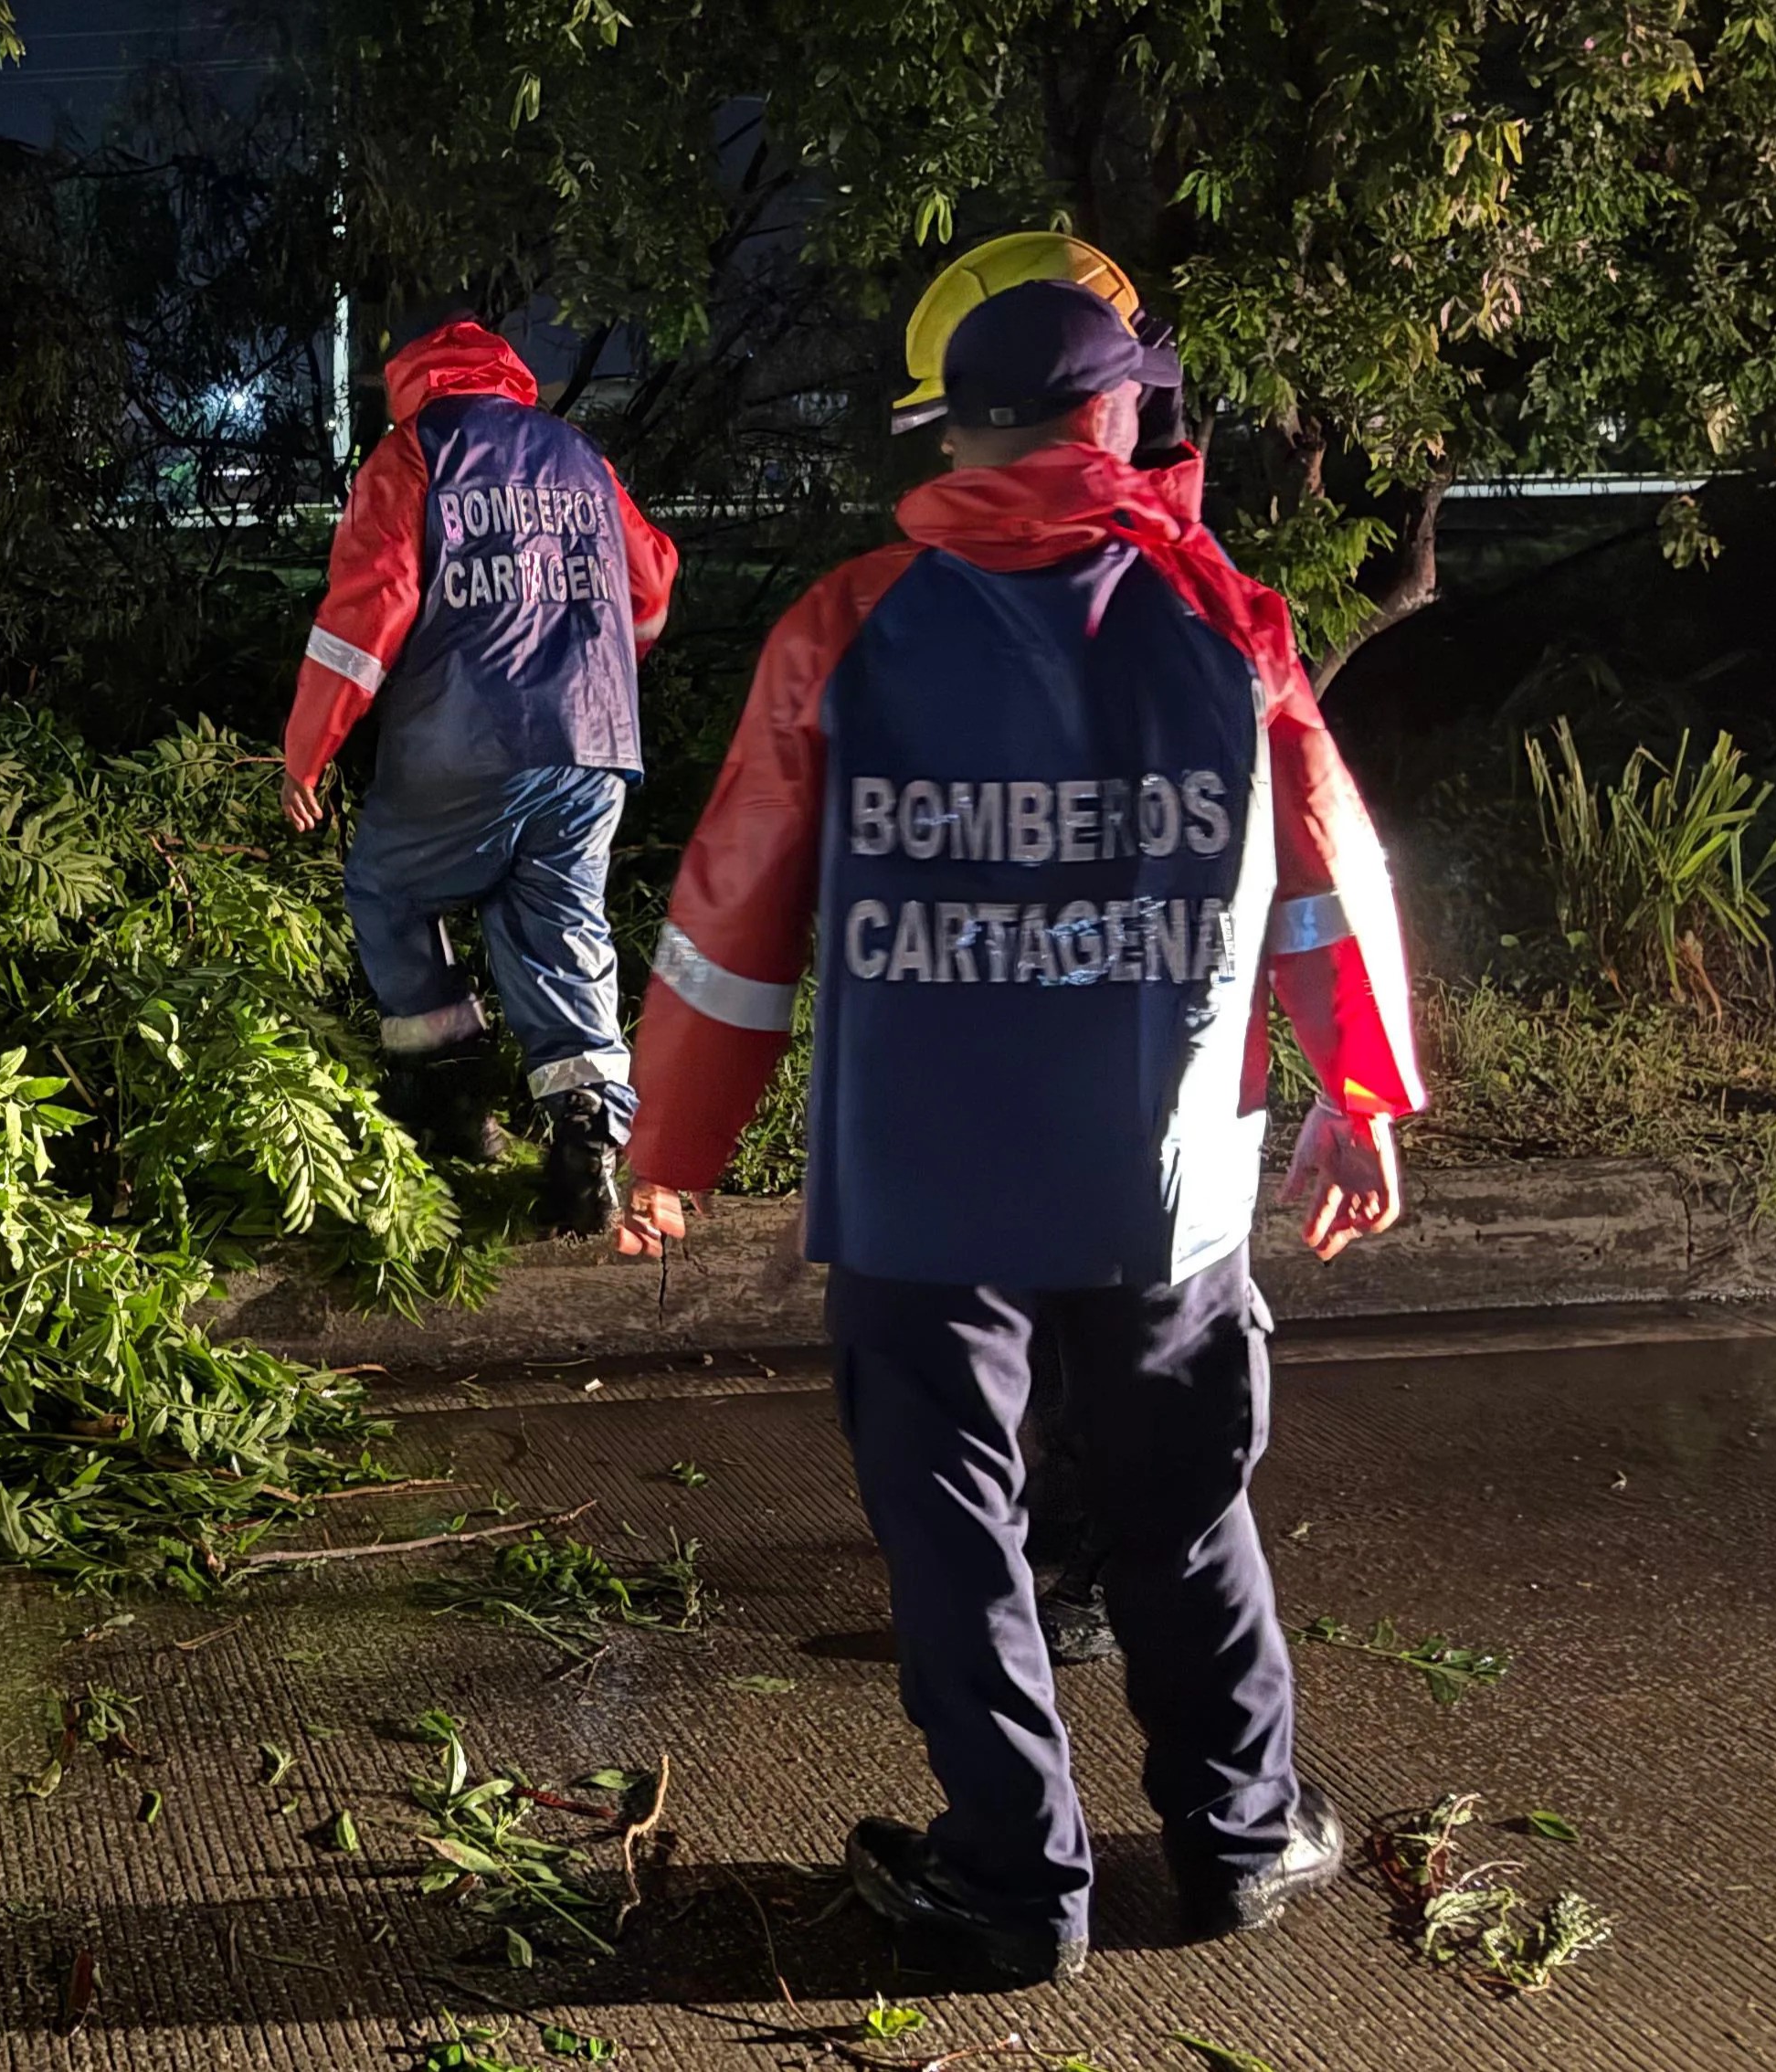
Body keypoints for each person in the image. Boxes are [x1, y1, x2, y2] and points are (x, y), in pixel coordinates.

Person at [610, 271, 1426, 1982]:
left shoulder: (850, 617)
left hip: (923, 1180)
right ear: (1115, 419)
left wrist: (671, 1142)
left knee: (953, 1524)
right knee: (1181, 1508)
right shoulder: (1226, 619)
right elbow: (1321, 883)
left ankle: (1010, 1880)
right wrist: (1354, 1091)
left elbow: (737, 898)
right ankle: (1238, 1833)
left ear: (957, 430)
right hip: (1161, 1176)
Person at [281, 309, 681, 1235]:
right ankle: (588, 1152)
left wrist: (310, 751)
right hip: (590, 746)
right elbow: (651, 584)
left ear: (413, 384)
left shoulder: (414, 453)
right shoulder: (576, 453)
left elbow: (368, 612)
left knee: (387, 888)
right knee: (558, 924)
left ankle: (454, 1101)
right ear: (506, 377)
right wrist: (604, 669)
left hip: (462, 745)